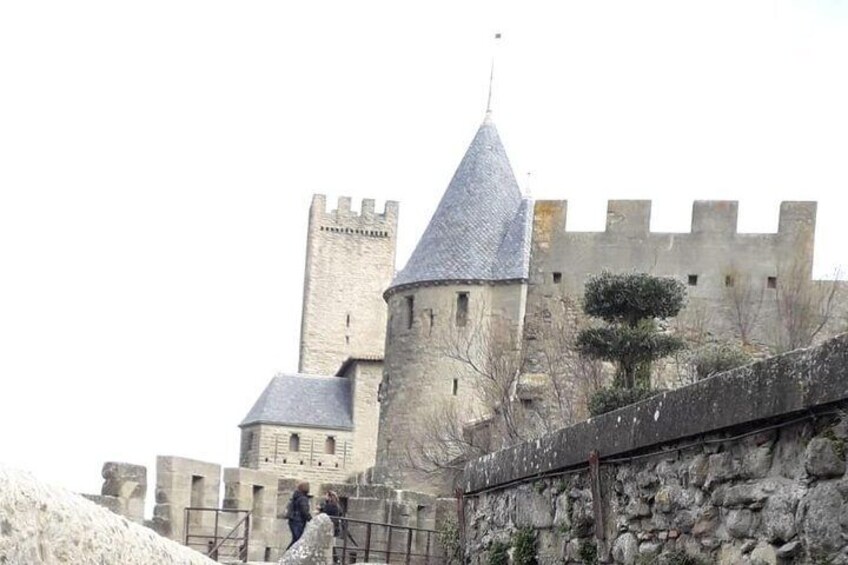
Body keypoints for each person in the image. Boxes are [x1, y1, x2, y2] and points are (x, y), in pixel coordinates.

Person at [285, 482, 312, 549]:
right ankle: (287, 554)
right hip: (298, 521)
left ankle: (288, 554)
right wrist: (310, 518)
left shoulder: (296, 496)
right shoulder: (303, 498)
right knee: (297, 540)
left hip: (293, 520)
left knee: (296, 539)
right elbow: (304, 510)